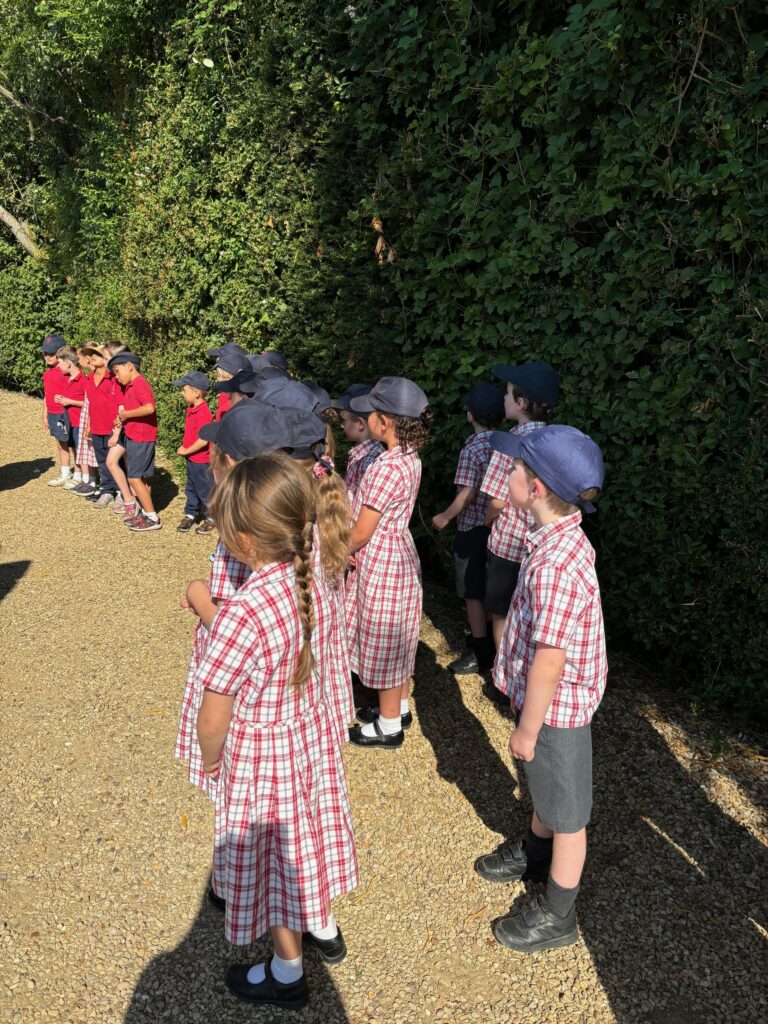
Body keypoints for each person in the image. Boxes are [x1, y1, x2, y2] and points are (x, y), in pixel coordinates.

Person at [195, 453, 358, 1009]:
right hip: (306, 741)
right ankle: (323, 923)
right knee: (308, 836)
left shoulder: (242, 612)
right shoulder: (308, 578)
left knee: (272, 862)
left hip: (263, 755)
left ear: (243, 540)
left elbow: (214, 714)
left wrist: (210, 760)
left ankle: (287, 971)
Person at [474, 425, 606, 953]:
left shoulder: (554, 564)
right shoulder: (558, 537)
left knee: (570, 816)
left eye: (513, 469)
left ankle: (559, 912)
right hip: (547, 705)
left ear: (534, 489)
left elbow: (551, 658)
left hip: (556, 710)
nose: (505, 474)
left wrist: (528, 729)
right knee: (547, 787)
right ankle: (533, 850)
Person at [345, 377, 430, 749]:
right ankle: (399, 706)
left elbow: (363, 530)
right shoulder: (407, 457)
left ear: (385, 421)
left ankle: (390, 725)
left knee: (382, 637)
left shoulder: (385, 467)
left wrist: (333, 549)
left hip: (381, 557)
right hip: (398, 551)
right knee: (396, 637)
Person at [481, 361, 559, 652]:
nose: (503, 398)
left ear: (521, 403)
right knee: (527, 612)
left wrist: (488, 521)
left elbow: (497, 500)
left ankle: (503, 678)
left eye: (507, 393)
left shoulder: (509, 443)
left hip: (507, 545)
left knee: (500, 612)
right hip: (538, 544)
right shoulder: (552, 439)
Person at [432, 382, 505, 675]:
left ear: (470, 416)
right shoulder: (506, 443)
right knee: (490, 588)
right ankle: (491, 641)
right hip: (498, 528)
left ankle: (479, 649)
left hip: (473, 527)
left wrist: (445, 516)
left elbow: (468, 493)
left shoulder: (472, 449)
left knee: (471, 593)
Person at [107, 351, 160, 532]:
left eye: (117, 371)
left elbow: (149, 408)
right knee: (140, 477)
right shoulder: (131, 386)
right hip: (134, 434)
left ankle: (152, 516)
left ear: (129, 366)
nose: (116, 376)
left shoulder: (139, 384)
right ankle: (146, 512)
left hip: (142, 436)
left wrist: (126, 414)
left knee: (134, 477)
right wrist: (123, 419)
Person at [171, 371, 214, 534]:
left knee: (205, 488)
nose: (182, 393)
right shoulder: (192, 408)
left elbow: (203, 440)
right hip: (192, 459)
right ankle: (190, 513)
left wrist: (186, 450)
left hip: (201, 460)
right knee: (191, 487)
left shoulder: (203, 412)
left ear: (196, 393)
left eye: (184, 390)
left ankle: (212, 515)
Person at [331, 384, 384, 511]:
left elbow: (358, 507)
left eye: (344, 422)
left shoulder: (369, 460)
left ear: (360, 424)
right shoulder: (359, 453)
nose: (342, 426)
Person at [80, 344, 121, 508]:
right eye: (91, 354)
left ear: (106, 359)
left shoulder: (114, 378)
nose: (92, 356)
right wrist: (89, 423)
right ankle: (106, 491)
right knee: (102, 461)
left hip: (112, 427)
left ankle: (120, 492)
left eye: (96, 354)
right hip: (96, 426)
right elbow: (91, 403)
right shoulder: (88, 378)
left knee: (117, 462)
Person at [41, 334, 74, 487]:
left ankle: (81, 474)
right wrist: (45, 414)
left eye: (51, 353)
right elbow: (47, 394)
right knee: (61, 442)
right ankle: (65, 472)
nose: (47, 356)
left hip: (67, 413)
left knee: (74, 443)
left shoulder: (65, 372)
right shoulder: (47, 373)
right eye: (45, 353)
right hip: (54, 413)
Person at [53, 345, 87, 490]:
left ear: (68, 363)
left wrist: (69, 401)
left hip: (80, 422)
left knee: (81, 450)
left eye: (59, 362)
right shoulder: (69, 379)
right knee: (73, 447)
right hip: (70, 422)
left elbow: (89, 402)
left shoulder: (83, 380)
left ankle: (86, 479)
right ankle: (78, 475)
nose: (58, 366)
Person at [71, 348, 100, 496]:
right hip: (88, 417)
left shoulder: (95, 377)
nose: (77, 360)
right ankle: (91, 481)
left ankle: (102, 485)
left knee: (96, 452)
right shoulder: (90, 377)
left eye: (79, 357)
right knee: (87, 449)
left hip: (97, 419)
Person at [211, 349, 252, 421]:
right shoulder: (254, 403)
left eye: (219, 375)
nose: (217, 379)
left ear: (229, 379)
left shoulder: (224, 410)